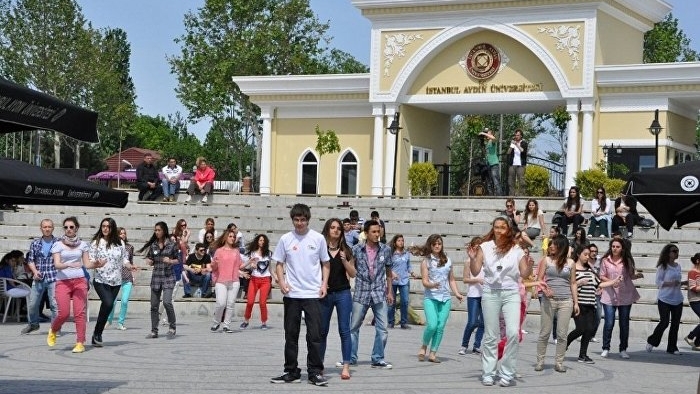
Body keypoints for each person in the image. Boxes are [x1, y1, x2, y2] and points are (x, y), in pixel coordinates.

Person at [469, 216, 533, 387]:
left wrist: (530, 265)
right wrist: (474, 258)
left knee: (513, 332)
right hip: (490, 292)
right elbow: (475, 272)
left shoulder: (516, 249)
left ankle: (507, 372)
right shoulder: (485, 247)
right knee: (490, 335)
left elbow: (525, 274)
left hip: (511, 293)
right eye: (496, 227)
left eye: (502, 227)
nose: (499, 230)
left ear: (508, 230)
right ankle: (488, 372)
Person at [270, 204, 330, 386]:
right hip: (293, 294)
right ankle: (291, 371)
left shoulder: (318, 238)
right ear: (292, 220)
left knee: (314, 335)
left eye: (303, 220)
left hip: (313, 293)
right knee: (291, 335)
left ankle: (314, 371)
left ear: (308, 220)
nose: (299, 223)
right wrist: (282, 282)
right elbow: (278, 263)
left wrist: (324, 284)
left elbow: (325, 263)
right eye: (296, 220)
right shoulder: (286, 239)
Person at [48, 217, 104, 353]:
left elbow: (87, 264)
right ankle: (53, 329)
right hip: (63, 281)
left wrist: (97, 264)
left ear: (76, 228)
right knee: (64, 313)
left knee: (80, 313)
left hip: (79, 280)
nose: (68, 230)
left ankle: (80, 342)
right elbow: (57, 265)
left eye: (71, 227)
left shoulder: (83, 245)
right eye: (66, 227)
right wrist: (68, 264)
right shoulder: (58, 245)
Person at [349, 219, 394, 370]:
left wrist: (390, 291)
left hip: (378, 292)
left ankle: (378, 358)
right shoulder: (356, 249)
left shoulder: (386, 250)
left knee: (383, 328)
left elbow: (388, 272)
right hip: (361, 292)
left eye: (378, 231)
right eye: (373, 232)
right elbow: (349, 269)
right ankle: (350, 357)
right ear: (366, 233)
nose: (377, 234)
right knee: (353, 327)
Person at [413, 234, 464, 363]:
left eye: (439, 244)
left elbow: (451, 279)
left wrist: (457, 293)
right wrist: (432, 285)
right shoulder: (426, 261)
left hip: (445, 298)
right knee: (432, 325)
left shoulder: (448, 260)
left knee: (440, 326)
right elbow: (424, 281)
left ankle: (433, 352)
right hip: (431, 297)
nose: (437, 246)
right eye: (434, 244)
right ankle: (424, 346)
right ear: (430, 245)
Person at [566, 245, 619, 364]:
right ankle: (565, 344)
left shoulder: (590, 270)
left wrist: (613, 282)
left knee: (589, 330)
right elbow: (569, 285)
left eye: (588, 255)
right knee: (580, 329)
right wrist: (578, 283)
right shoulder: (572, 268)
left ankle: (582, 355)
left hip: (590, 304)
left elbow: (599, 284)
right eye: (585, 254)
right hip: (578, 304)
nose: (587, 257)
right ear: (579, 254)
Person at [318, 218, 356, 380]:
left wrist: (344, 260)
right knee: (322, 331)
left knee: (344, 330)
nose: (335, 230)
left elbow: (353, 273)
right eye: (332, 228)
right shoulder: (320, 248)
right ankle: (319, 365)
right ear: (327, 230)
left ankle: (346, 366)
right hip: (325, 293)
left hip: (343, 293)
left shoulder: (346, 250)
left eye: (338, 228)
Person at [534, 234, 578, 372]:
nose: (551, 246)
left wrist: (576, 302)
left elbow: (573, 283)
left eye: (554, 244)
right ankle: (540, 361)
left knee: (562, 334)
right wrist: (544, 290)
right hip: (549, 300)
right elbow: (540, 279)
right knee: (545, 332)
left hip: (566, 300)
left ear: (561, 246)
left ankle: (559, 362)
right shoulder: (546, 260)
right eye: (550, 244)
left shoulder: (571, 263)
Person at [89, 217, 133, 348]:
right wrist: (97, 263)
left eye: (108, 226)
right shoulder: (96, 243)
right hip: (100, 280)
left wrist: (130, 266)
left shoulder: (120, 243)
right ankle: (97, 333)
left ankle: (97, 334)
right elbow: (90, 261)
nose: (105, 228)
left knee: (108, 307)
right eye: (103, 226)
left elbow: (124, 259)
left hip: (116, 280)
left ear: (113, 228)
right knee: (108, 303)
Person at [599, 238, 643, 359]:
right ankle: (605, 348)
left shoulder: (626, 261)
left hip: (625, 294)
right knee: (609, 322)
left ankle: (623, 348)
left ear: (622, 248)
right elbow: (602, 276)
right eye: (613, 246)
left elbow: (630, 276)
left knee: (624, 323)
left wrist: (637, 276)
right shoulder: (605, 261)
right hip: (609, 295)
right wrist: (613, 282)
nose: (615, 248)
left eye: (617, 247)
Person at [140, 221, 179, 339]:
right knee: (154, 306)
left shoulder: (172, 245)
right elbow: (150, 258)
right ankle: (154, 330)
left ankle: (172, 327)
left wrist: (171, 261)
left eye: (158, 230)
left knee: (167, 302)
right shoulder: (153, 245)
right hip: (156, 277)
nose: (156, 232)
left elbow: (179, 260)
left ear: (164, 231)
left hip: (168, 277)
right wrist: (150, 261)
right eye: (155, 230)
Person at [20, 219, 59, 335]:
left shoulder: (58, 242)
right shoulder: (35, 243)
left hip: (54, 277)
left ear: (53, 228)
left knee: (54, 304)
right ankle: (33, 324)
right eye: (45, 227)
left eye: (49, 227)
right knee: (32, 304)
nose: (47, 229)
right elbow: (30, 260)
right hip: (39, 277)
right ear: (41, 228)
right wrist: (35, 271)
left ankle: (55, 328)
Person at [646, 244, 684, 355]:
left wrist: (683, 283)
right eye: (674, 251)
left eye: (677, 251)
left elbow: (678, 282)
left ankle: (672, 347)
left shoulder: (678, 266)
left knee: (675, 324)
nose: (676, 253)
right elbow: (658, 282)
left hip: (677, 299)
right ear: (668, 253)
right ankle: (652, 341)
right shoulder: (663, 266)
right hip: (664, 299)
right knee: (665, 322)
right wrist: (671, 283)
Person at [209, 229, 244, 333]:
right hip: (221, 280)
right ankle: (216, 322)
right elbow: (214, 267)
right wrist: (213, 264)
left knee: (230, 304)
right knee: (221, 303)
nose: (232, 238)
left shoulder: (236, 251)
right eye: (230, 236)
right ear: (225, 237)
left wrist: (249, 263)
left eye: (234, 237)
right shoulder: (219, 251)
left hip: (234, 280)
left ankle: (226, 325)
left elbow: (240, 265)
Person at [240, 234, 277, 330]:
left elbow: (270, 269)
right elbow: (247, 265)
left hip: (265, 280)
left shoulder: (269, 253)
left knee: (262, 302)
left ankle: (264, 322)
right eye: (260, 240)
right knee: (250, 301)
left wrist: (276, 277)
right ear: (257, 241)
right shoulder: (253, 253)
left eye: (263, 240)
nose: (262, 242)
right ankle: (246, 320)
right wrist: (252, 265)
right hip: (254, 279)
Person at [107, 227, 136, 330]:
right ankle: (109, 320)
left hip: (127, 278)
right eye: (120, 233)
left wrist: (133, 274)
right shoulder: (112, 247)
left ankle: (121, 322)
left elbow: (130, 261)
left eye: (124, 233)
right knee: (112, 302)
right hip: (116, 278)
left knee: (124, 301)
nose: (122, 235)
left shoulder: (130, 247)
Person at [460, 236, 484, 355]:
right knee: (472, 321)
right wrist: (477, 280)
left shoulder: (486, 261)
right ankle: (464, 344)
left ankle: (477, 345)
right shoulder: (468, 262)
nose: (477, 248)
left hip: (485, 294)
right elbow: (465, 279)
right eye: (476, 246)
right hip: (474, 294)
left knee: (483, 322)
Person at [388, 234, 412, 329]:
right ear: (395, 242)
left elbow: (408, 265)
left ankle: (404, 322)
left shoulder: (406, 253)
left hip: (404, 280)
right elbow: (387, 266)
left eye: (402, 240)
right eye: (399, 240)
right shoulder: (391, 254)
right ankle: (390, 322)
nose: (401, 242)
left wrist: (412, 272)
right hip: (393, 281)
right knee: (391, 302)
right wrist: (392, 273)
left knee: (405, 301)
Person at [478, 127, 501, 196]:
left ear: (491, 134)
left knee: (496, 181)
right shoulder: (487, 143)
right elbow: (484, 152)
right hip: (488, 164)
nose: (485, 134)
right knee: (489, 182)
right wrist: (481, 139)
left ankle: (500, 197)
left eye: (487, 133)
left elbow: (494, 138)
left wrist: (483, 133)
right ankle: (491, 196)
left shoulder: (492, 141)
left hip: (494, 164)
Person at [685, 253, 700, 350]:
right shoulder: (692, 272)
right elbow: (693, 287)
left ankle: (697, 344)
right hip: (695, 300)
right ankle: (690, 336)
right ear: (698, 261)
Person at [506, 128, 527, 196]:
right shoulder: (512, 143)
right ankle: (511, 195)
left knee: (521, 181)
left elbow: (522, 151)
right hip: (512, 164)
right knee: (511, 181)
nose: (516, 136)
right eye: (515, 135)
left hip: (520, 165)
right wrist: (511, 146)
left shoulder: (524, 143)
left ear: (521, 136)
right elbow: (508, 152)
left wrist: (517, 145)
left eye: (518, 135)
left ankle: (521, 195)